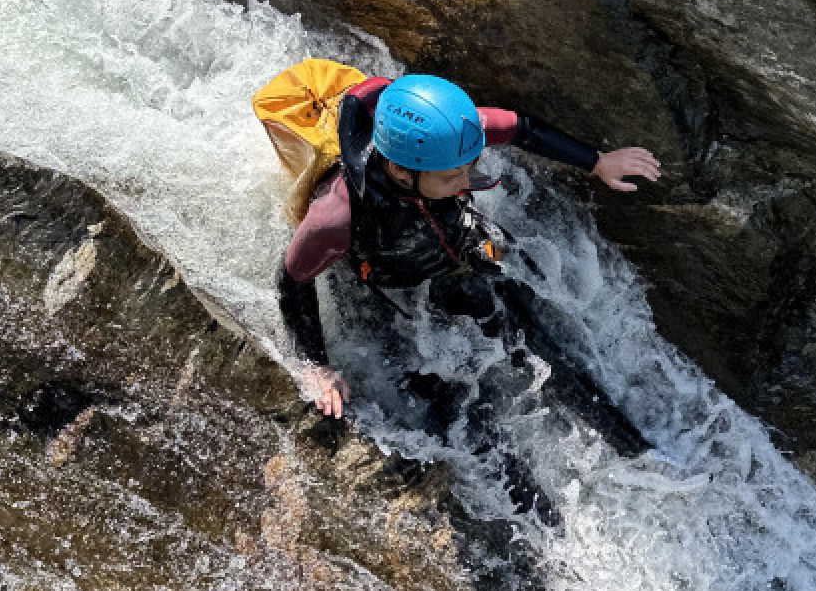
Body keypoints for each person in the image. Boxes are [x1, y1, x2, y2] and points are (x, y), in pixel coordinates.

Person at [277, 73, 661, 419]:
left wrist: (597, 161)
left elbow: (521, 128)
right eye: (451, 176)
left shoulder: (454, 133)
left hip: (454, 241)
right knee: (436, 392)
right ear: (399, 169)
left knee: (523, 309)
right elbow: (292, 280)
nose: (465, 182)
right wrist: (315, 366)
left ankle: (593, 407)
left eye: (469, 167)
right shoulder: (339, 216)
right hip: (390, 279)